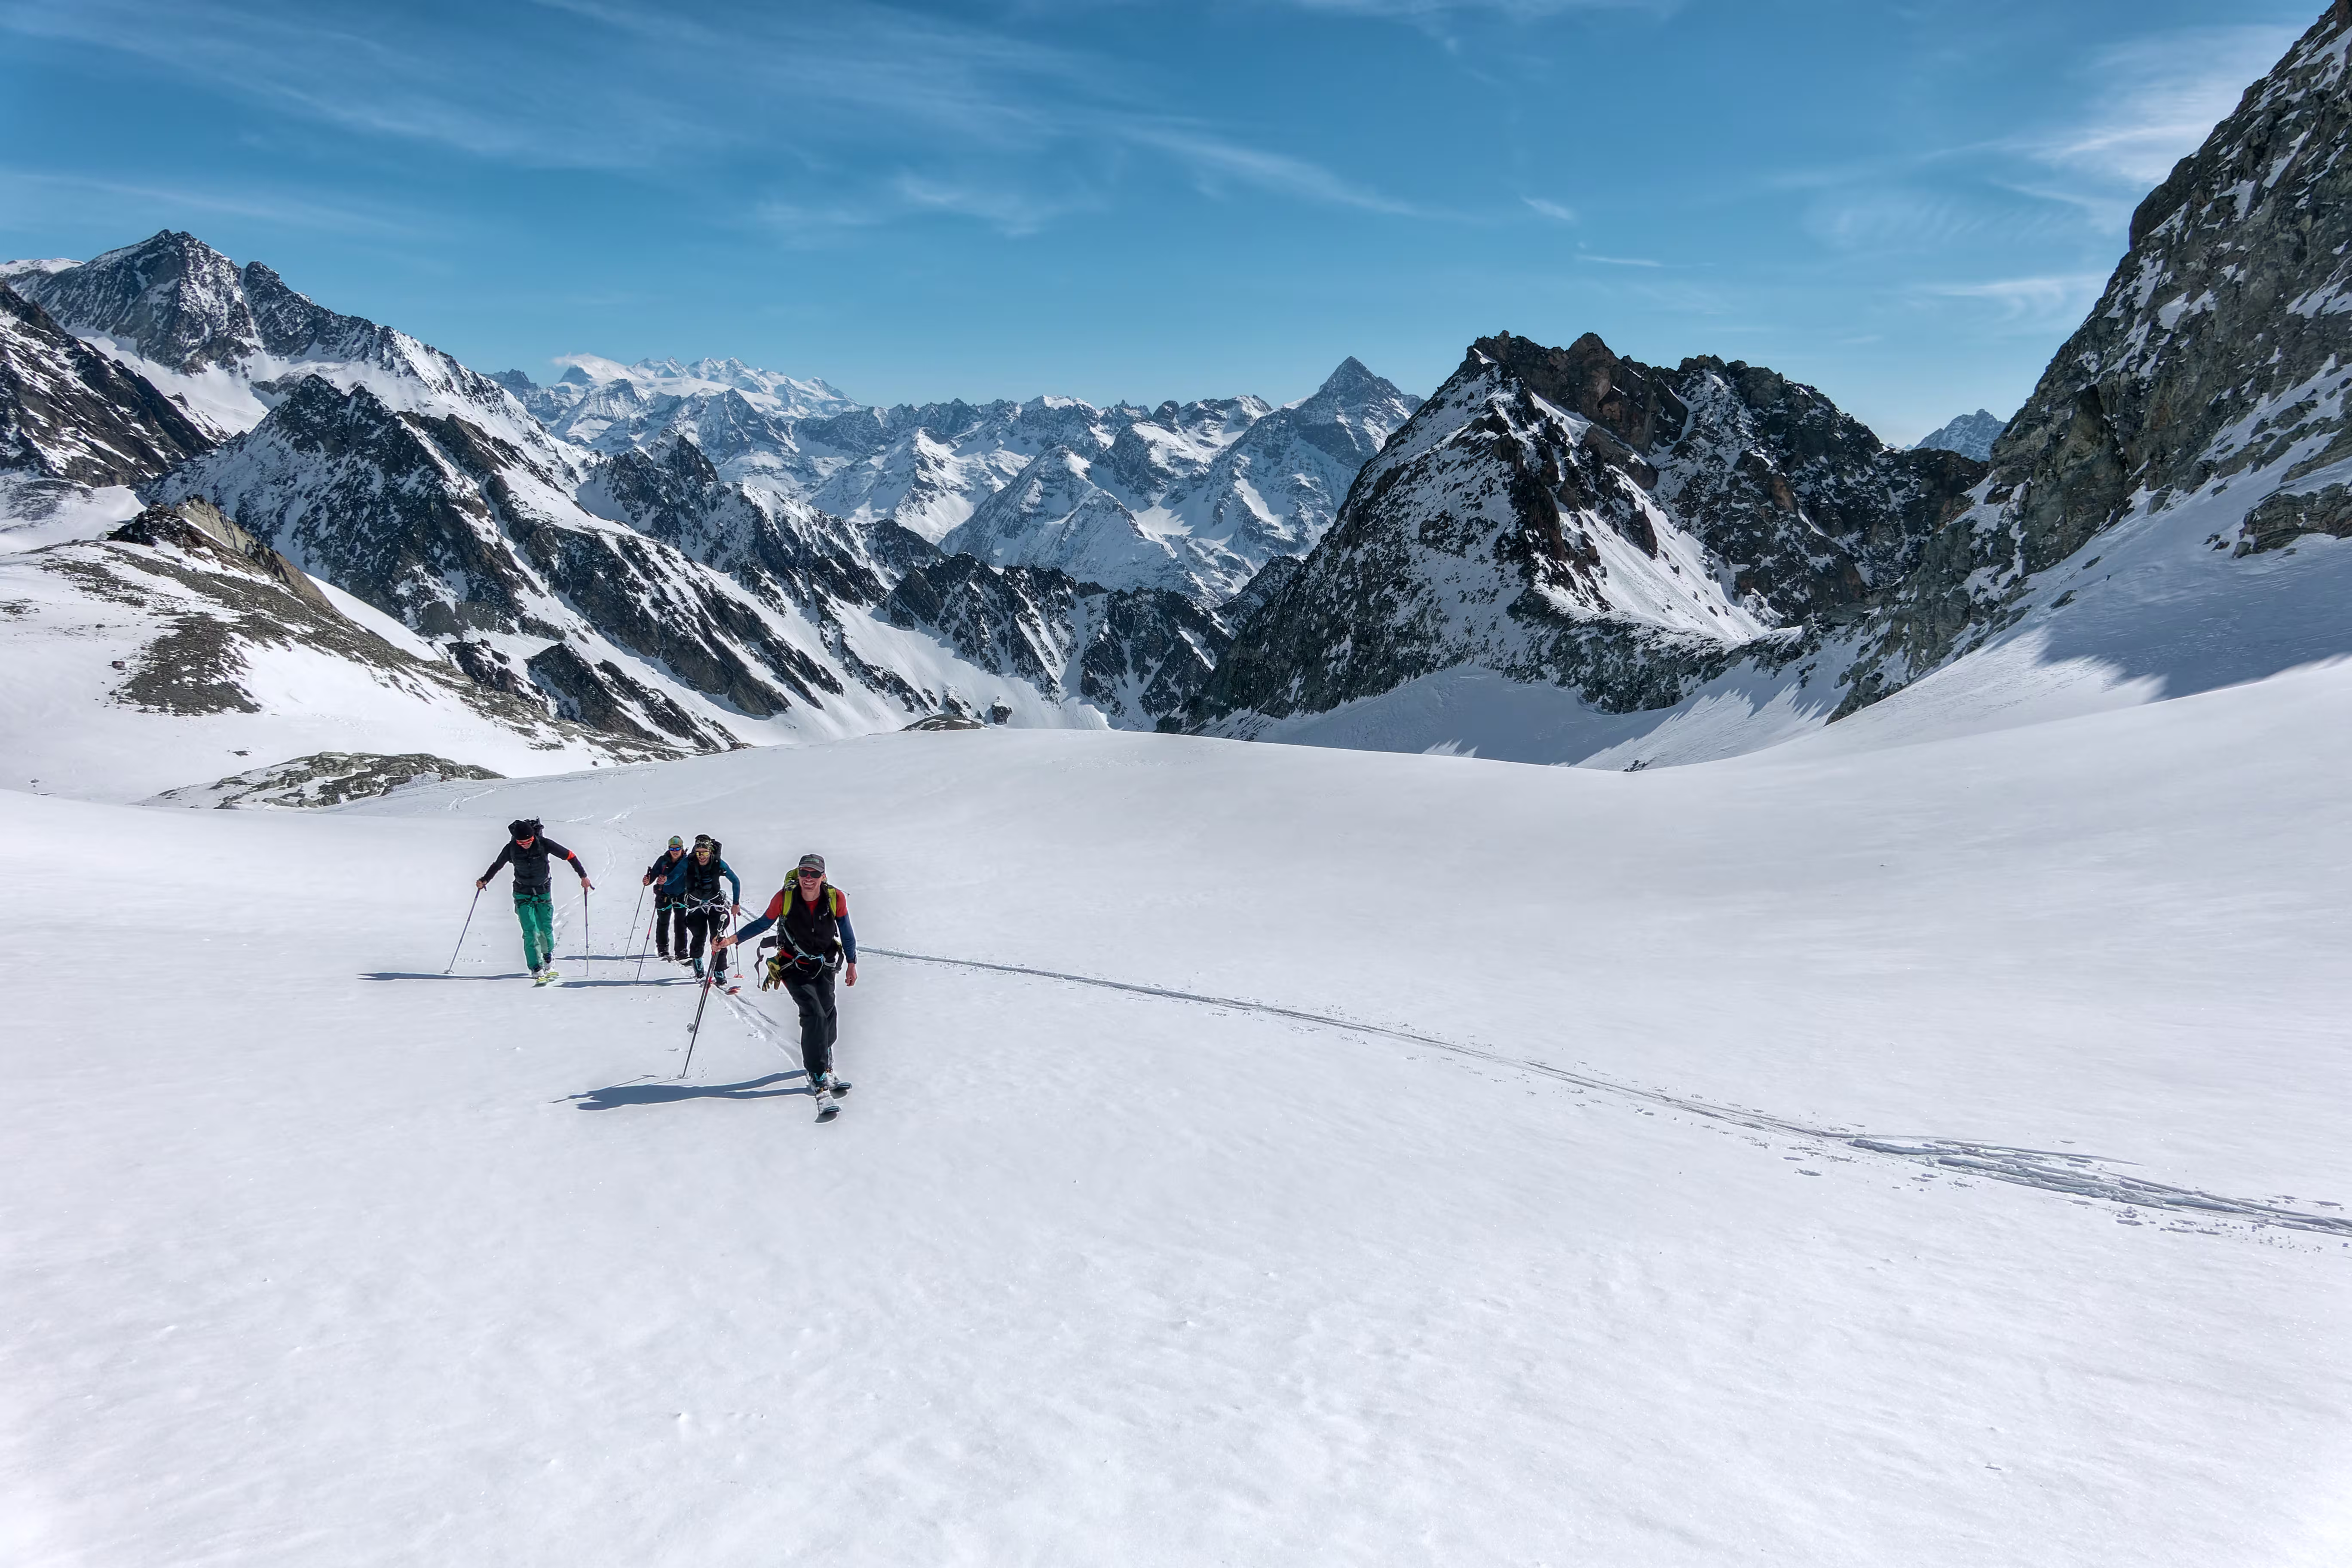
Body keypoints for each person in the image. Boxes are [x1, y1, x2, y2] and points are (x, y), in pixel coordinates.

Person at [721, 852, 858, 1110]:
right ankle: (818, 1076)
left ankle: (826, 1059)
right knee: (814, 1014)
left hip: (825, 964)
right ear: (798, 874)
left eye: (814, 874)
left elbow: (847, 933)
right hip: (792, 966)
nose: (808, 879)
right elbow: (762, 924)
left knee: (828, 1012)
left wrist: (852, 963)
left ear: (823, 876)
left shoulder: (834, 897)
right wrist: (730, 941)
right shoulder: (785, 897)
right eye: (804, 873)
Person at [477, 818, 592, 980]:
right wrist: (485, 880)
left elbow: (571, 856)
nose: (525, 844)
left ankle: (548, 956)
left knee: (545, 928)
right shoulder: (511, 849)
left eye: (529, 841)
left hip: (543, 892)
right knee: (530, 931)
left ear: (534, 837)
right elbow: (497, 865)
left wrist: (583, 877)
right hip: (522, 893)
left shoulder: (544, 844)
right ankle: (536, 966)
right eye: (521, 842)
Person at [658, 833, 741, 981]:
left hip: (715, 904)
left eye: (705, 853)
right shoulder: (688, 863)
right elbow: (674, 877)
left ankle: (719, 972)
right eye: (699, 853)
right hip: (695, 905)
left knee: (718, 939)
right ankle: (698, 966)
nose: (702, 856)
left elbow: (735, 881)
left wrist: (736, 904)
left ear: (710, 851)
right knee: (699, 936)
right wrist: (665, 881)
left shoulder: (718, 863)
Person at [641, 835, 688, 962]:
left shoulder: (687, 862)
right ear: (669, 849)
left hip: (682, 897)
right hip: (664, 896)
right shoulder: (662, 861)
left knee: (681, 924)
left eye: (677, 848)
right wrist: (648, 880)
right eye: (672, 849)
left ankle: (682, 951)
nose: (675, 851)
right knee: (663, 922)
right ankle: (663, 949)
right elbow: (654, 874)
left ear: (682, 848)